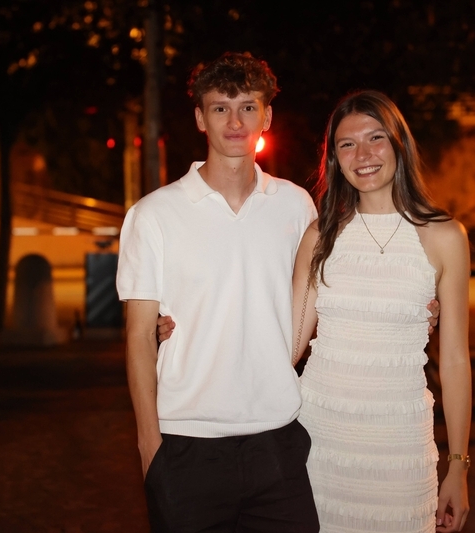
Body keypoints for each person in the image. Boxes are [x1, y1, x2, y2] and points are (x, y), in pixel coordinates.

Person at [116, 52, 321, 533]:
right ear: (199, 118)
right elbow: (139, 336)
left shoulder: (296, 206)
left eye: (248, 107)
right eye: (220, 108)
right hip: (187, 444)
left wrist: (415, 307)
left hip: (278, 439)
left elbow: (320, 302)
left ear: (266, 116)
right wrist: (149, 447)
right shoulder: (153, 215)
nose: (234, 121)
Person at [290, 90, 472, 533]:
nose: (363, 155)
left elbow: (454, 360)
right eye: (347, 144)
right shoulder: (320, 236)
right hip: (320, 440)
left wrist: (458, 466)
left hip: (400, 445)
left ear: (398, 144)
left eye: (376, 138)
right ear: (335, 160)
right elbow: (288, 344)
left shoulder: (445, 236)